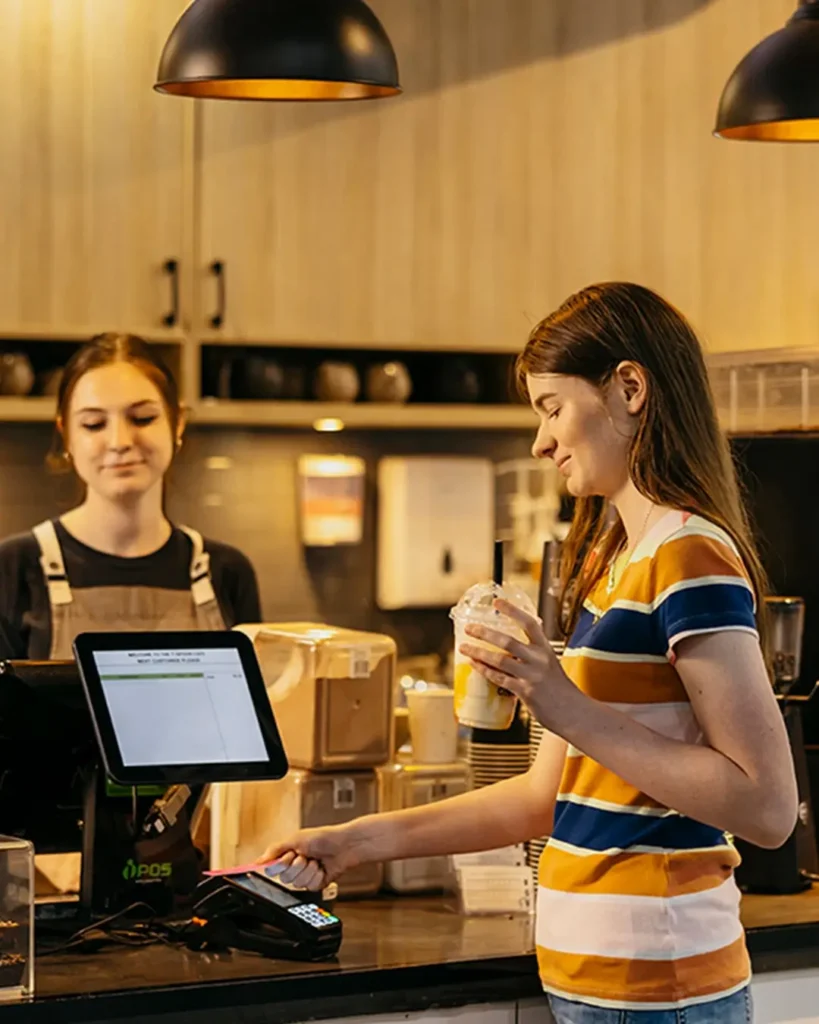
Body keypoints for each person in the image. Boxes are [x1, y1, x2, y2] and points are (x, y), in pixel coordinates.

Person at [260, 284, 797, 1022]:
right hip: (598, 988)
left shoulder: (689, 555)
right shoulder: (620, 563)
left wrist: (562, 703)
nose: (541, 441)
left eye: (550, 406)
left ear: (629, 388)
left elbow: (766, 808)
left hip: (661, 990)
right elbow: (542, 798)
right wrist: (356, 841)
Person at [0, 333, 261, 659]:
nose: (119, 441)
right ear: (66, 434)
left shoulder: (227, 572)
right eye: (94, 424)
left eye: (142, 418)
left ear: (177, 423)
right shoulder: (14, 568)